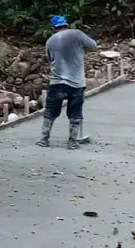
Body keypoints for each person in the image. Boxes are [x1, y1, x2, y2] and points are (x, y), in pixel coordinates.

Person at [39, 15, 98, 149]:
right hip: (76, 82)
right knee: (75, 112)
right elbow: (94, 46)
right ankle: (72, 142)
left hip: (56, 82)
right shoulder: (77, 34)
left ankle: (44, 139)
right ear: (67, 25)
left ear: (53, 28)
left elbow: (50, 59)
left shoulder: (50, 41)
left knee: (50, 111)